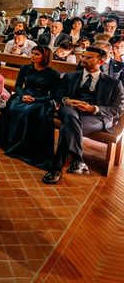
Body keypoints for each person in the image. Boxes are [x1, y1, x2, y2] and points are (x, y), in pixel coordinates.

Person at [43, 47, 124, 184]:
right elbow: (57, 95)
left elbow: (117, 110)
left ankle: (57, 169)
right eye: (84, 56)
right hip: (70, 109)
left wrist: (93, 108)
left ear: (101, 61)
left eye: (89, 57)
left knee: (67, 128)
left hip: (95, 117)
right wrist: (67, 101)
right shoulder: (71, 76)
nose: (83, 59)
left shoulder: (114, 83)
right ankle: (77, 160)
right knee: (69, 117)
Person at [0, 46, 59, 169]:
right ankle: (9, 141)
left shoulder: (53, 74)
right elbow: (18, 86)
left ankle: (22, 145)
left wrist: (36, 99)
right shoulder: (25, 68)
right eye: (32, 53)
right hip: (24, 94)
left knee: (28, 112)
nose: (32, 56)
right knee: (13, 107)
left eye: (37, 54)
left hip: (41, 98)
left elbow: (54, 94)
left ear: (45, 57)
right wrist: (22, 95)